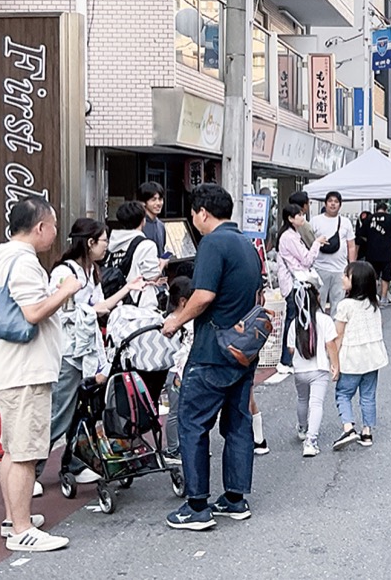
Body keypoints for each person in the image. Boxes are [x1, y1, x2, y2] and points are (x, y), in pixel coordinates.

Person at [0, 197, 81, 552]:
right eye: (53, 226)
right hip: (25, 370)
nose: (55, 233)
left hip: (10, 369)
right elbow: (33, 312)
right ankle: (22, 529)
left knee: (13, 449)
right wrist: (65, 290)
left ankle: (14, 520)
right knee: (25, 452)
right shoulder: (23, 263)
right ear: (40, 227)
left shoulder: (4, 258)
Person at [161, 183, 264, 530]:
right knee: (237, 424)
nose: (193, 220)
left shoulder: (213, 243)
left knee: (192, 423)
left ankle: (196, 506)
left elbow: (203, 295)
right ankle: (235, 498)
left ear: (203, 213)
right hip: (244, 348)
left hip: (211, 350)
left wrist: (175, 319)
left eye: (193, 214)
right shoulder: (247, 245)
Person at [37, 218, 144, 487]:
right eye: (104, 240)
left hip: (85, 353)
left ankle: (74, 461)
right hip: (68, 353)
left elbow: (101, 306)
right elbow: (61, 309)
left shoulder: (91, 270)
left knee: (82, 411)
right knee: (60, 412)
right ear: (90, 242)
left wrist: (128, 289)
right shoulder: (65, 272)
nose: (107, 245)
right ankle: (32, 471)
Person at [107, 201, 173, 407]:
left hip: (117, 305)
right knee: (141, 361)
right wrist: (163, 262)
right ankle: (140, 406)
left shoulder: (111, 242)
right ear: (142, 220)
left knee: (121, 358)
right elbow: (152, 274)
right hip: (139, 308)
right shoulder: (145, 244)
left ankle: (122, 403)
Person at [331, 262, 390, 449]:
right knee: (368, 395)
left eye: (346, 276)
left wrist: (334, 363)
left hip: (352, 358)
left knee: (343, 393)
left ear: (356, 282)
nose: (342, 278)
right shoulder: (373, 304)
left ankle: (348, 427)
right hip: (373, 357)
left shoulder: (345, 305)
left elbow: (338, 336)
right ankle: (367, 432)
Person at [285, 278, 339, 457]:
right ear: (317, 298)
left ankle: (302, 428)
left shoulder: (295, 324)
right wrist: (335, 365)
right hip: (319, 369)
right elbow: (331, 344)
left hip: (300, 370)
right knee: (316, 404)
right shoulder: (324, 320)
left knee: (302, 400)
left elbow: (291, 349)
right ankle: (310, 441)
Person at [275, 203, 328, 372]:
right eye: (298, 215)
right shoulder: (289, 237)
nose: (301, 217)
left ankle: (293, 355)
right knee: (293, 320)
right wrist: (317, 243)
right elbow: (306, 260)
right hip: (294, 284)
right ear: (290, 219)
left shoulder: (291, 234)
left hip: (295, 283)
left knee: (296, 319)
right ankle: (285, 359)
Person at [162, 276, 194, 464]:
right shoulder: (174, 321)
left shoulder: (179, 319)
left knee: (186, 410)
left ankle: (186, 445)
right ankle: (173, 449)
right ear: (183, 301)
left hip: (183, 371)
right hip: (176, 371)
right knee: (176, 411)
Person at [311, 191, 357, 312]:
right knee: (318, 303)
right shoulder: (315, 221)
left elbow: (351, 245)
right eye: (330, 201)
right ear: (325, 204)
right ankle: (319, 329)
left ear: (340, 205)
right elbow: (309, 242)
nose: (333, 204)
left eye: (336, 202)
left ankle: (336, 329)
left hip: (340, 269)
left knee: (338, 304)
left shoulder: (346, 222)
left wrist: (351, 267)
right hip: (320, 268)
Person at [363, 201, 391, 303]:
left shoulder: (369, 219)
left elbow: (362, 235)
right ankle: (383, 298)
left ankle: (373, 297)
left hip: (371, 252)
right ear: (386, 209)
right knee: (385, 276)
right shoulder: (390, 218)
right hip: (386, 252)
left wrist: (370, 241)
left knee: (373, 276)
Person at [139, 181, 168, 257]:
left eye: (160, 199)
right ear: (144, 202)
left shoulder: (161, 225)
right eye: (153, 199)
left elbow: (162, 251)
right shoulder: (138, 224)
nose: (158, 203)